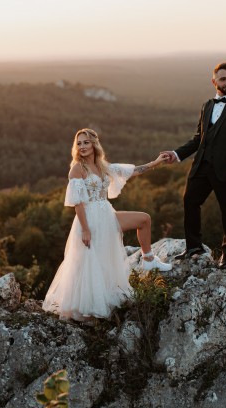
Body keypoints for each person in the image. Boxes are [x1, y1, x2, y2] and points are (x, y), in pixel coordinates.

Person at [43, 128, 170, 321]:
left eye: (86, 142)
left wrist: (157, 162)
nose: (82, 146)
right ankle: (90, 310)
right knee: (92, 262)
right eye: (79, 143)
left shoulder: (102, 166)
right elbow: (77, 202)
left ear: (94, 144)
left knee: (144, 219)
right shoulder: (77, 168)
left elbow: (133, 171)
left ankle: (149, 260)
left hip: (106, 214)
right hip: (89, 219)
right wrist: (85, 230)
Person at [161, 62, 226, 268]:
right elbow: (199, 139)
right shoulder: (207, 106)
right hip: (202, 166)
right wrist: (176, 154)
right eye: (223, 79)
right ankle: (194, 246)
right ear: (214, 82)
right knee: (190, 201)